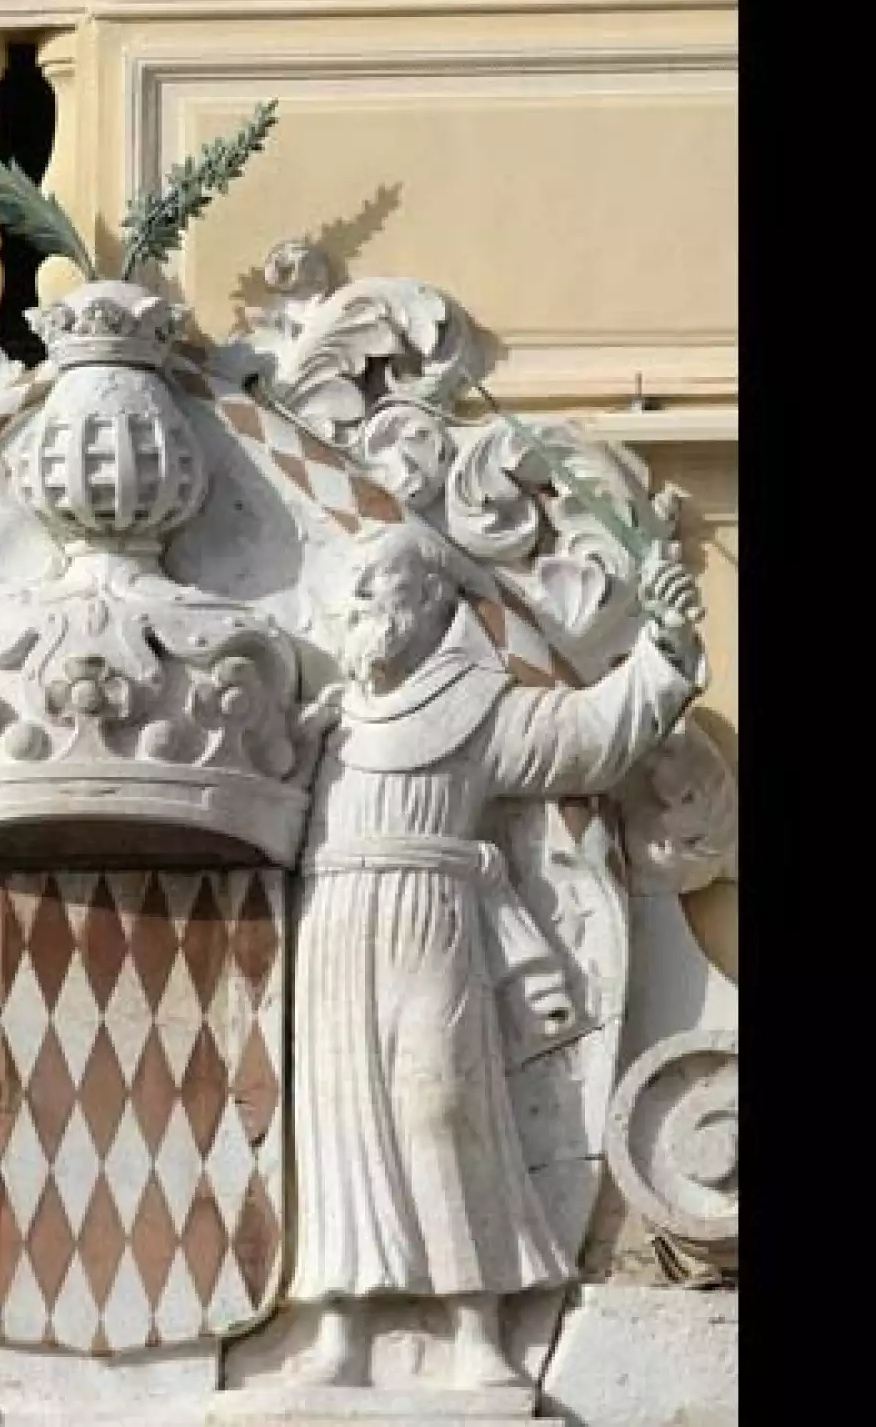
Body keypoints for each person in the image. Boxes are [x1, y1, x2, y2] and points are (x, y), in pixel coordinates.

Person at [286, 521, 705, 1391]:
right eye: (354, 576)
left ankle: (475, 1322)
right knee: (339, 1121)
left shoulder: (476, 709)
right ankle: (340, 1328)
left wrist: (663, 651)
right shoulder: (328, 723)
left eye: (381, 576)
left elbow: (589, 735)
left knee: (444, 1108)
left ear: (434, 598)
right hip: (333, 927)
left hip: (430, 919)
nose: (360, 593)